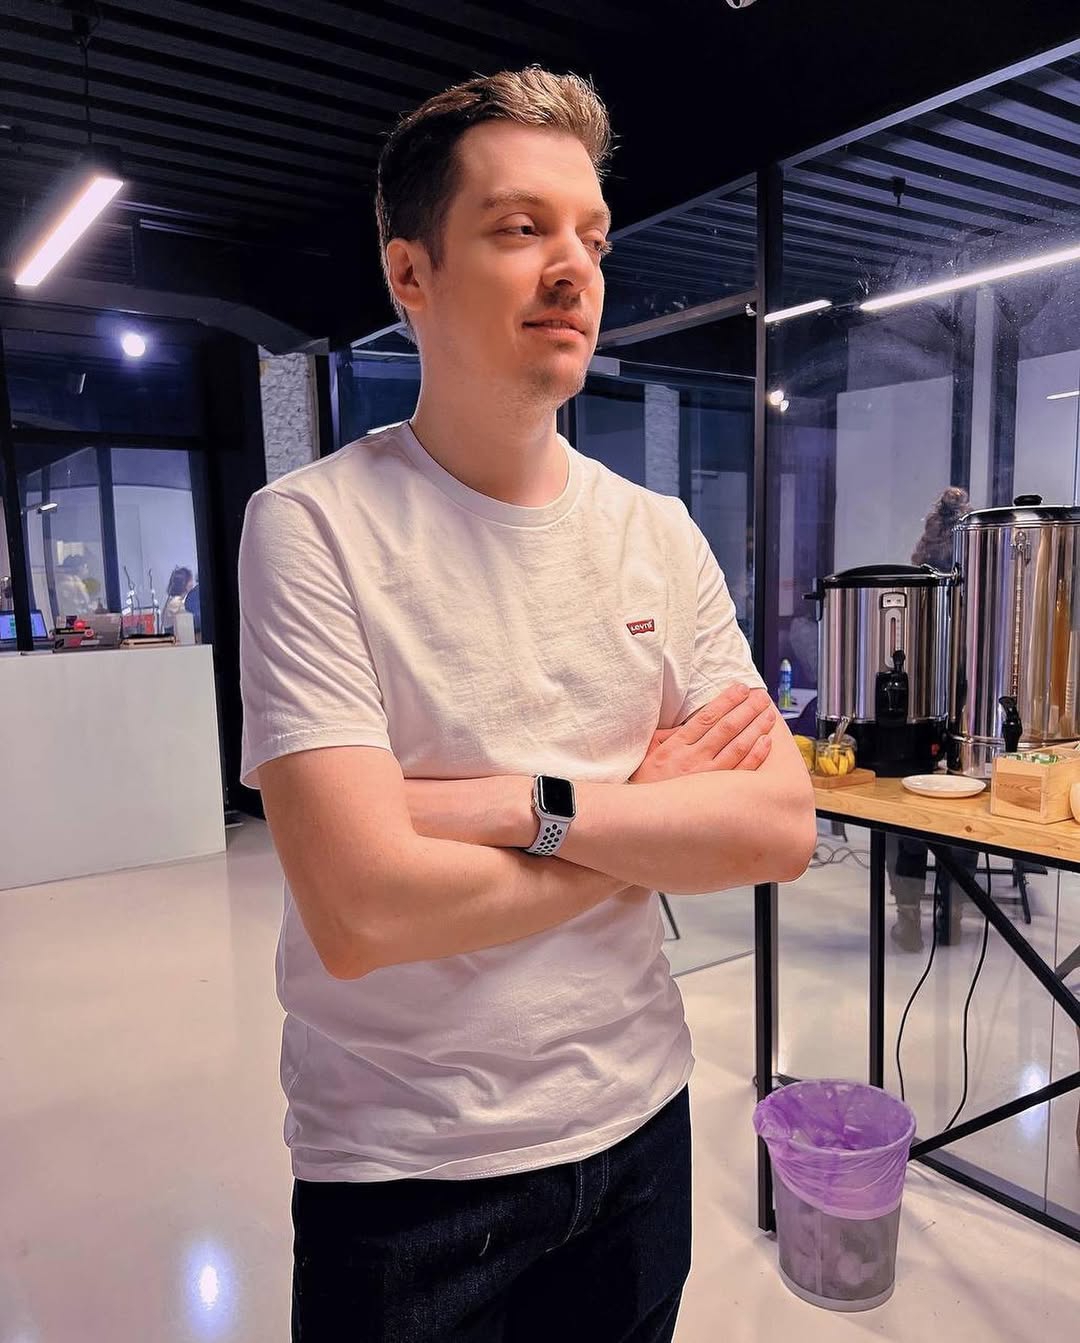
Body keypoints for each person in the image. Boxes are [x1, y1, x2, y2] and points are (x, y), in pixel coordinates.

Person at [238, 68, 816, 1343]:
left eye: (591, 238)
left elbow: (779, 827)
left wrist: (513, 804)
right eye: (520, 228)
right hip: (407, 1175)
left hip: (640, 1126)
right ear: (410, 273)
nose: (573, 269)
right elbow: (363, 911)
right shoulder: (311, 528)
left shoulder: (657, 532)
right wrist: (642, 821)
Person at [887, 486, 979, 951]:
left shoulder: (915, 585)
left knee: (904, 822)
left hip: (917, 721)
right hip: (968, 720)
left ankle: (908, 920)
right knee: (966, 818)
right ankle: (952, 916)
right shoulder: (979, 585)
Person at [160, 565, 195, 634]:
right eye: (190, 580)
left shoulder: (172, 601)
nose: (192, 584)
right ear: (184, 584)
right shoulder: (176, 603)